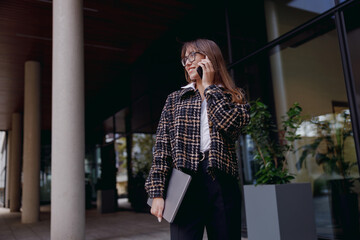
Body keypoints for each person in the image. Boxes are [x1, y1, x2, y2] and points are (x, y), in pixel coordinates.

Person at [145, 38, 250, 240]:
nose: (188, 62)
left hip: (221, 180)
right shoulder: (175, 99)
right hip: (184, 181)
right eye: (184, 59)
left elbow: (231, 127)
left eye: (193, 55)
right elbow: (162, 149)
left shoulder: (233, 96)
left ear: (210, 57)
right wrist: (157, 192)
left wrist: (210, 88)